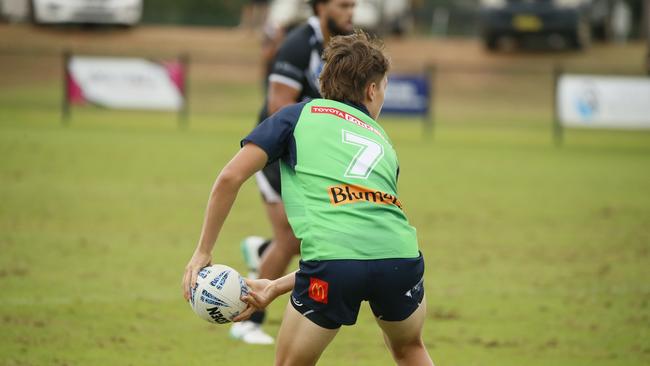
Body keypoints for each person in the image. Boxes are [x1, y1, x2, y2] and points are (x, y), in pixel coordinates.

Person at [182, 30, 434, 365]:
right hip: (402, 259)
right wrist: (274, 286)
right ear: (372, 90)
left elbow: (231, 176)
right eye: (384, 88)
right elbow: (364, 241)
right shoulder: (383, 142)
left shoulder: (298, 115)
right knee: (408, 349)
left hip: (336, 263)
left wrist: (203, 251)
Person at [234, 0, 356, 344]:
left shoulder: (343, 46)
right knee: (293, 238)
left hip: (315, 158)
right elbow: (278, 108)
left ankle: (262, 252)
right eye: (344, 5)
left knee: (317, 238)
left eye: (354, 5)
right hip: (279, 151)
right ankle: (247, 320)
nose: (351, 11)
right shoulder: (299, 44)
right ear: (320, 6)